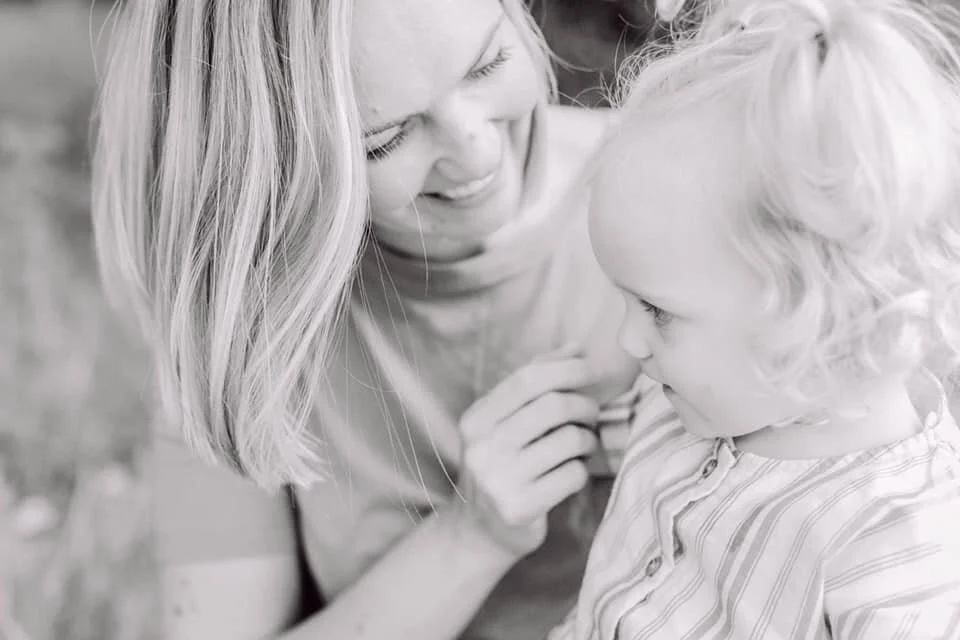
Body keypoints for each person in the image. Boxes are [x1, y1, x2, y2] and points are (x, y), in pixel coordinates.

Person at [91, 0, 643, 638]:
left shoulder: (694, 193)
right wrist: (473, 537)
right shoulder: (243, 332)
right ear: (278, 166)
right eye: (388, 138)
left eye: (486, 63)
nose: (476, 150)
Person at [550, 0, 960, 637]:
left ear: (821, 320)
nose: (627, 340)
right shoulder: (691, 398)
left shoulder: (895, 548)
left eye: (657, 311)